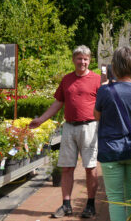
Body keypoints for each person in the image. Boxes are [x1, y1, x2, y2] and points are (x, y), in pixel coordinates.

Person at [29, 45, 101, 218]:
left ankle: (90, 206)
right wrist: (41, 120)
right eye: (79, 58)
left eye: (86, 59)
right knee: (67, 168)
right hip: (69, 127)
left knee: (90, 168)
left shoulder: (97, 79)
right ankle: (66, 205)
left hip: (90, 127)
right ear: (73, 60)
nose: (82, 62)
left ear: (89, 60)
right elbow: (58, 103)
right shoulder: (66, 79)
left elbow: (104, 105)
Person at [94, 46, 131, 221]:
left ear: (114, 66)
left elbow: (96, 116)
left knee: (116, 199)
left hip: (110, 150)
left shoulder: (104, 90)